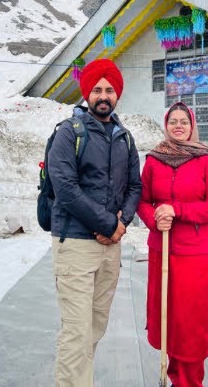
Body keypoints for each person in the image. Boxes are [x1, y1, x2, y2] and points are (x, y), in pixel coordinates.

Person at [47, 58, 142, 387]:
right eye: (97, 89)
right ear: (86, 93)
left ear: (117, 95)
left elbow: (135, 187)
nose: (104, 95)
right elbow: (66, 190)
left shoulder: (124, 138)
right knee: (76, 332)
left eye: (110, 90)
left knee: (95, 327)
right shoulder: (68, 133)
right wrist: (107, 224)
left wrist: (122, 223)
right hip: (75, 245)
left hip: (109, 249)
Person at [137, 101, 208, 387]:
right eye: (173, 121)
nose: (178, 126)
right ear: (166, 125)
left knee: (190, 321)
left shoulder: (206, 159)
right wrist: (155, 218)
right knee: (167, 317)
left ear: (192, 126)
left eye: (184, 121)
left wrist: (177, 210)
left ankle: (190, 382)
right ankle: (172, 376)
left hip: (195, 254)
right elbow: (142, 200)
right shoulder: (155, 159)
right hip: (162, 248)